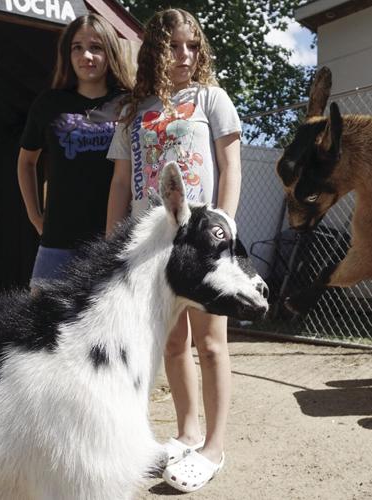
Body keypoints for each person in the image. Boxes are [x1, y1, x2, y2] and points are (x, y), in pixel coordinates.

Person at [106, 8, 242, 493]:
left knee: (211, 342)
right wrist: (113, 244)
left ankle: (214, 447)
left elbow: (231, 166)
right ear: (154, 52)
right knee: (172, 342)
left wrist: (221, 230)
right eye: (172, 46)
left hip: (202, 244)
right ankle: (187, 434)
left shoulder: (212, 98)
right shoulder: (133, 111)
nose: (184, 55)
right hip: (153, 247)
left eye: (191, 46)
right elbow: (120, 182)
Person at [18, 14, 133, 290]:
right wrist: (35, 216)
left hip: (113, 242)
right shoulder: (48, 104)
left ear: (110, 52)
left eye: (96, 47)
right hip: (57, 241)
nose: (86, 56)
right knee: (42, 317)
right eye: (77, 47)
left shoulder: (129, 104)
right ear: (67, 54)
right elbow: (26, 162)